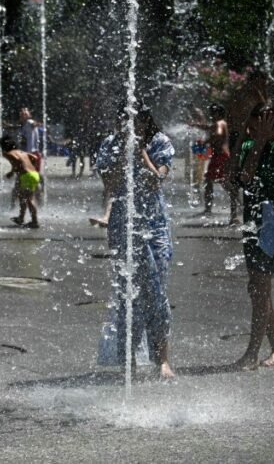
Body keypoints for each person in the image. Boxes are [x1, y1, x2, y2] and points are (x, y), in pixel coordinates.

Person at [95, 105, 176, 379]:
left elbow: (157, 181)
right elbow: (111, 184)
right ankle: (127, 360)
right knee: (128, 291)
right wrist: (125, 153)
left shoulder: (160, 142)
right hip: (123, 226)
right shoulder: (109, 145)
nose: (131, 128)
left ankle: (162, 359)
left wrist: (140, 152)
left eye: (137, 122)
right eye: (126, 122)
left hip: (155, 227)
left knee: (158, 292)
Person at [234, 105, 274, 371]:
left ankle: (252, 354)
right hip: (251, 222)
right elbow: (234, 177)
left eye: (265, 124)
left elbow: (249, 178)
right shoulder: (247, 145)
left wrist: (258, 142)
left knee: (260, 290)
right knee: (258, 290)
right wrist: (246, 134)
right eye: (256, 123)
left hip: (271, 224)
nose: (258, 128)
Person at [225, 71, 270, 225]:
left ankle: (251, 211)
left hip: (251, 135)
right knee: (236, 171)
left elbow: (266, 110)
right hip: (239, 134)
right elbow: (231, 115)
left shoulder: (257, 93)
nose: (264, 85)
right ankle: (234, 213)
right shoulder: (242, 94)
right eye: (262, 81)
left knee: (254, 171)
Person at [0, 136, 41, 228]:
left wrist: (13, 171)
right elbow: (34, 157)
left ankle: (35, 222)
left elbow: (17, 161)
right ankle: (21, 218)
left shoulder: (8, 153)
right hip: (34, 174)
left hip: (27, 176)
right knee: (22, 197)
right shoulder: (21, 152)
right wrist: (29, 167)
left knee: (29, 199)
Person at [201, 104, 230, 215]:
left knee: (211, 181)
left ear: (218, 113)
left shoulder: (219, 123)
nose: (211, 115)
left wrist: (206, 141)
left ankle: (208, 208)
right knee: (222, 181)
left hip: (220, 155)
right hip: (221, 155)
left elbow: (218, 134)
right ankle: (237, 203)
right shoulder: (222, 123)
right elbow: (210, 127)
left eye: (213, 113)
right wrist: (197, 126)